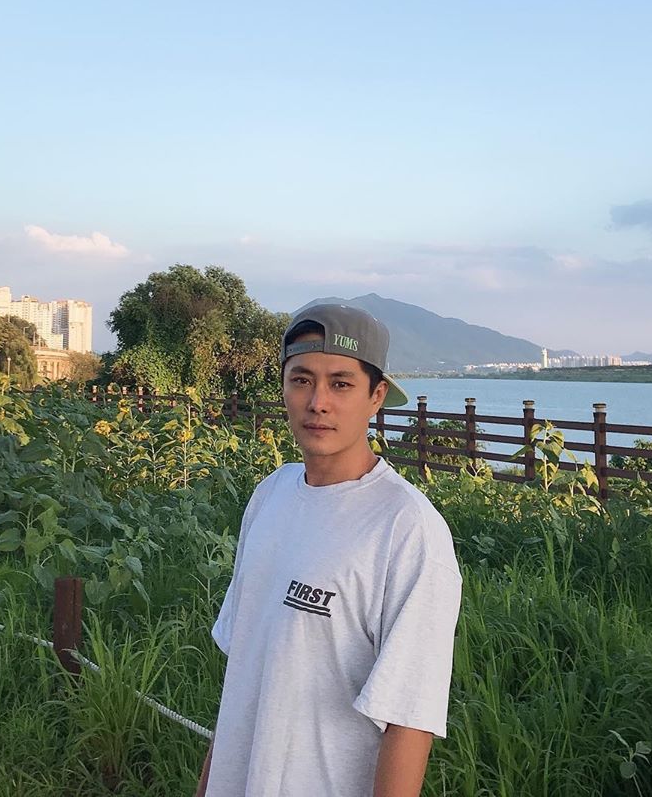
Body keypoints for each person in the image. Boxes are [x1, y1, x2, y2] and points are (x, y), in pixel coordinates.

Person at [195, 303, 462, 797]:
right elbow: (244, 678)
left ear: (376, 396)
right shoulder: (271, 495)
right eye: (301, 380)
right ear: (283, 387)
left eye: (341, 383)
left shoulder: (407, 529)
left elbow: (409, 719)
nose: (318, 402)